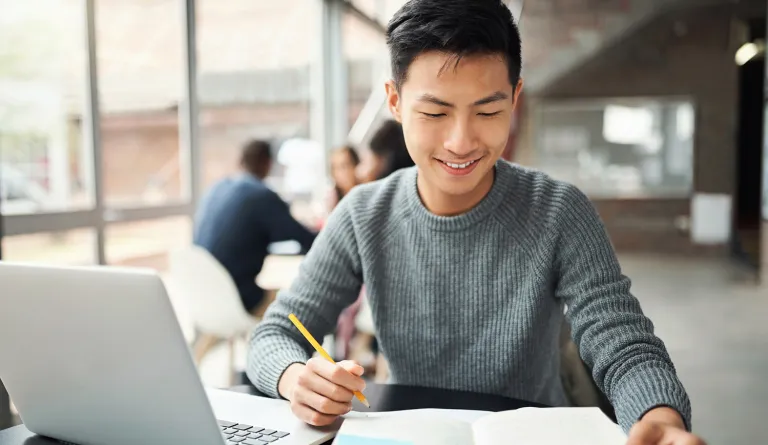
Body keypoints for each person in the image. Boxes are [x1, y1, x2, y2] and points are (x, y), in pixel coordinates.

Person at [246, 1, 704, 444]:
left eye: (487, 111)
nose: (461, 141)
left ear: (515, 99)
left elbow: (623, 343)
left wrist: (658, 419)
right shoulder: (363, 215)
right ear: (395, 101)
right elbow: (275, 333)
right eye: (434, 112)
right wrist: (295, 378)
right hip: (411, 436)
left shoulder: (559, 211)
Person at [193, 139, 316, 314]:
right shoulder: (262, 197)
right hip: (238, 297)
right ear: (268, 163)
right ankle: (314, 342)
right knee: (298, 306)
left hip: (200, 294)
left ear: (241, 161)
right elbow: (306, 239)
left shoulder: (216, 188)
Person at [328, 145, 360, 210]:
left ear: (356, 166)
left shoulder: (364, 194)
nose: (338, 173)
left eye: (344, 166)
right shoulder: (332, 198)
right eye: (334, 168)